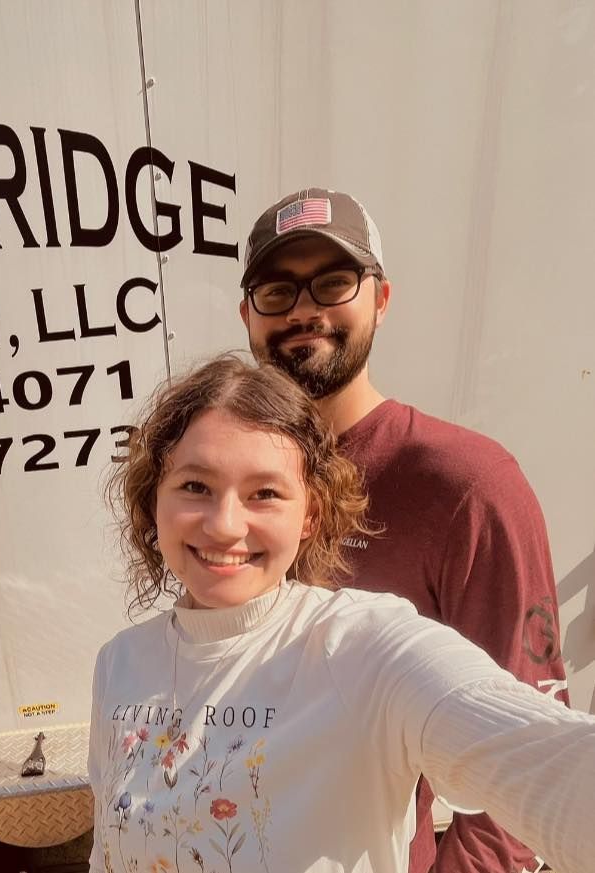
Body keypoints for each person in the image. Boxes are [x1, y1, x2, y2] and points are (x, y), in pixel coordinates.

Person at [87, 355, 593, 873]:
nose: (224, 525)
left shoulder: (363, 647)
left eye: (265, 493)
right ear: (155, 502)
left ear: (309, 516)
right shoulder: (120, 664)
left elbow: (542, 755)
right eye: (195, 486)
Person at [237, 188, 568, 873]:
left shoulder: (465, 485)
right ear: (248, 316)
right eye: (277, 290)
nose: (304, 309)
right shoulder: (229, 483)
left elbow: (527, 748)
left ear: (381, 300)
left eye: (332, 282)